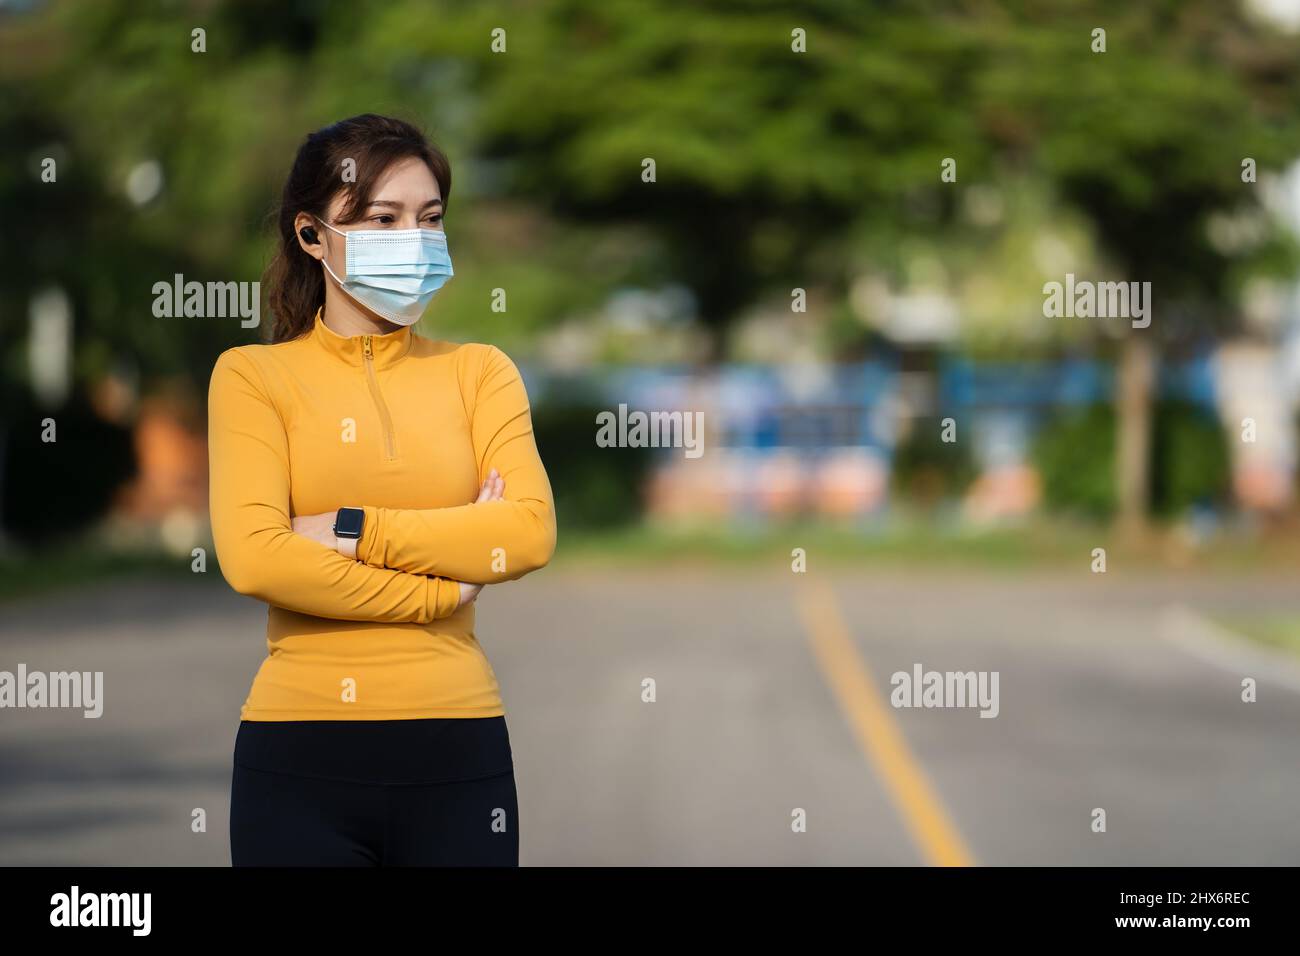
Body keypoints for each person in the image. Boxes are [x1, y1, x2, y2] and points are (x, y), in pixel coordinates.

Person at [207, 113, 556, 866]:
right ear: (312, 234)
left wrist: (351, 527)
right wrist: (443, 590)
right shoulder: (251, 377)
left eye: (430, 218)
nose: (414, 239)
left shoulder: (481, 372)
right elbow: (256, 559)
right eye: (382, 218)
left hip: (458, 752)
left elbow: (526, 533)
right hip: (297, 757)